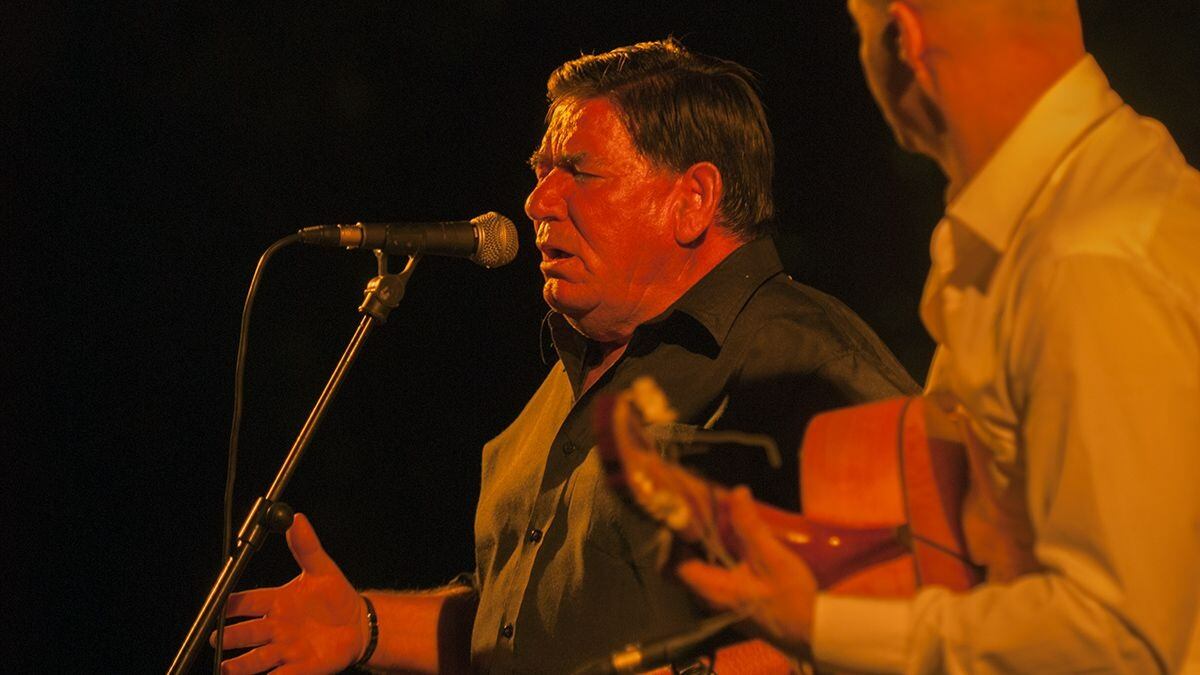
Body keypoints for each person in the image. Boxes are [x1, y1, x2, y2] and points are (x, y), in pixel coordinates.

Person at [215, 38, 917, 674]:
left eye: (577, 171)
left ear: (693, 199)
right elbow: (525, 633)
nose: (537, 199)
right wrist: (366, 624)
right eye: (540, 170)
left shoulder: (810, 359)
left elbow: (925, 600)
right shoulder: (565, 382)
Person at [677, 1, 1200, 672]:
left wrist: (821, 624)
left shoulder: (1087, 261)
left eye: (863, 37)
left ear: (905, 39)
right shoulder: (1080, 210)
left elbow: (1117, 637)